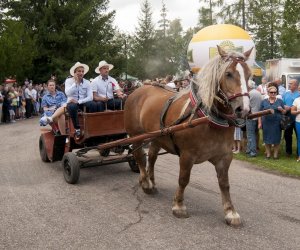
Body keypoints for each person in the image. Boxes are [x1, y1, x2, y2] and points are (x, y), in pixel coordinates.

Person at [65, 62, 95, 137]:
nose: (81, 73)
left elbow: (90, 97)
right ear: (74, 72)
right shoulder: (69, 81)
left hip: (82, 102)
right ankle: (77, 129)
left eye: (82, 71)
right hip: (72, 103)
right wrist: (76, 83)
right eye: (79, 71)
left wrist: (79, 101)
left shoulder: (87, 82)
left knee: (93, 104)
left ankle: (91, 125)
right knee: (72, 106)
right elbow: (68, 93)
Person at [258, 86, 286, 159]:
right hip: (266, 123)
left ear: (276, 93)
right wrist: (259, 123)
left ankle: (275, 155)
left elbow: (284, 112)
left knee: (276, 139)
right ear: (268, 93)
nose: (273, 94)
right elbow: (259, 113)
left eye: (275, 92)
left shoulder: (280, 101)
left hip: (277, 123)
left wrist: (281, 110)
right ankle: (268, 154)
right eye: (271, 92)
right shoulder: (263, 101)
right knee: (267, 139)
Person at [283, 79, 300, 156]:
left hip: (297, 117)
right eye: (289, 83)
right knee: (287, 135)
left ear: (296, 85)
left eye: (291, 83)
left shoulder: (299, 94)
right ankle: (288, 151)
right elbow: (282, 103)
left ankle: (298, 152)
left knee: (298, 135)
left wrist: (291, 108)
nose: (289, 85)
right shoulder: (286, 94)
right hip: (287, 116)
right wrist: (284, 107)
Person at [246, 80, 262, 157]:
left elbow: (247, 105)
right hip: (258, 115)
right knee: (255, 134)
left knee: (250, 135)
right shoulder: (258, 92)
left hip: (251, 116)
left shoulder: (249, 94)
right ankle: (249, 149)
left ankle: (252, 151)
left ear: (248, 86)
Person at [291, 95, 300, 162]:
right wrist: (298, 111)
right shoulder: (296, 100)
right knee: (299, 139)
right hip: (298, 122)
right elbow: (292, 112)